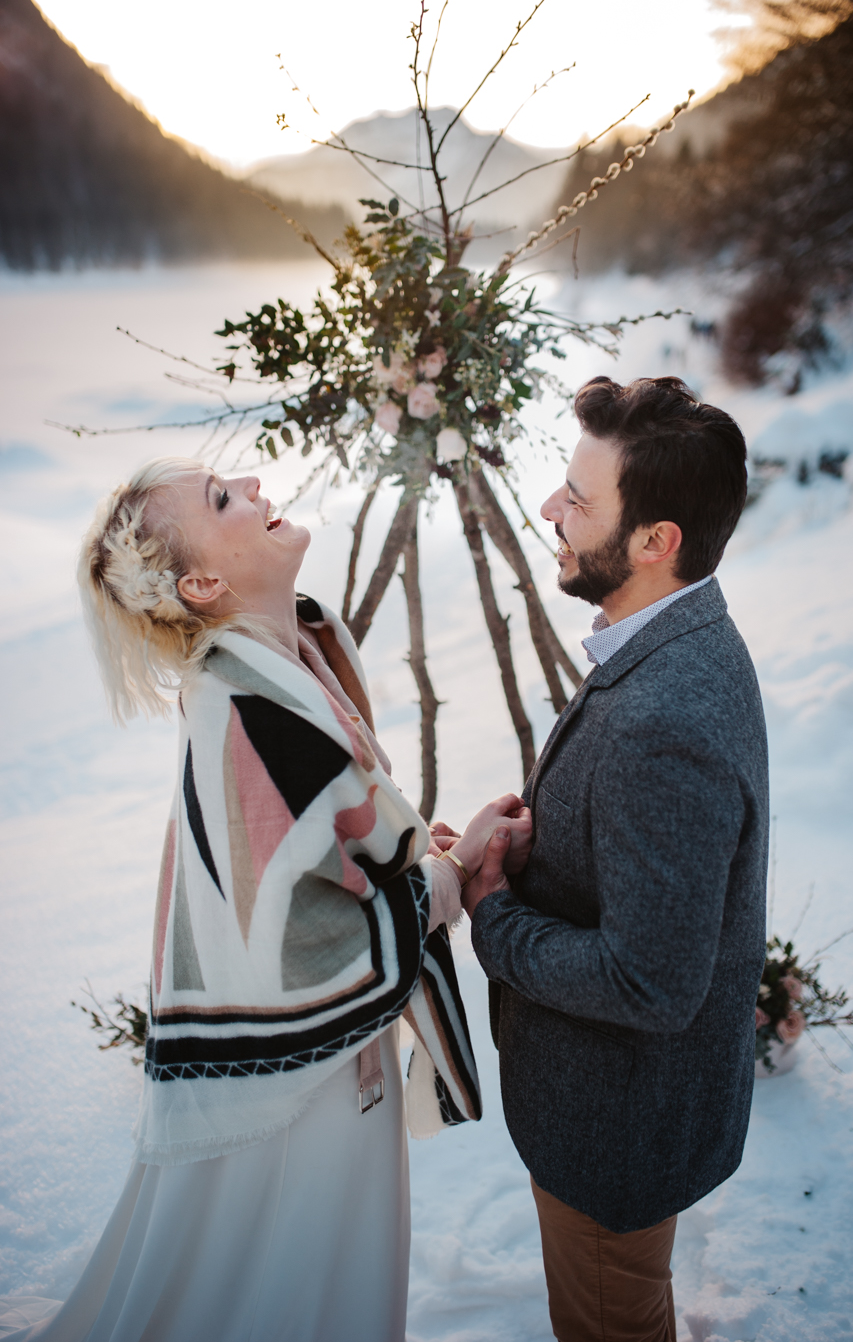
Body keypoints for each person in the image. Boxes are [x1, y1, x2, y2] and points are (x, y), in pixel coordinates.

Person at [0, 457, 530, 1342]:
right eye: (220, 498)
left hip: (320, 1065)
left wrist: (418, 860)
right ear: (202, 581)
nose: (251, 481)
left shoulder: (286, 669)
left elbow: (323, 860)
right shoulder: (243, 709)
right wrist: (444, 878)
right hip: (300, 1086)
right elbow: (299, 935)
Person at [464, 376, 769, 1342]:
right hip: (637, 1114)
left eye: (578, 498)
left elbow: (650, 982)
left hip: (615, 1134)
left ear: (656, 541)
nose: (550, 508)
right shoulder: (683, 636)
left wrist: (492, 911)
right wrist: (541, 841)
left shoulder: (661, 718)